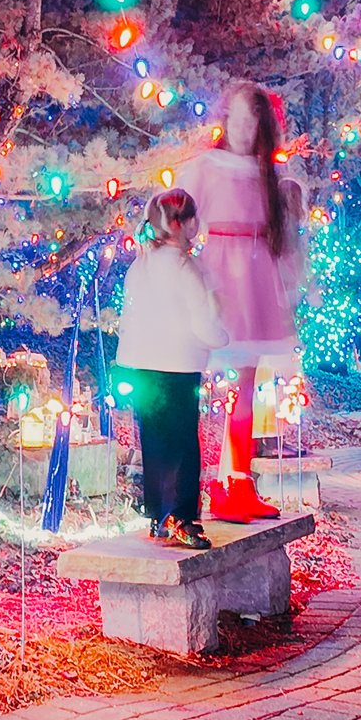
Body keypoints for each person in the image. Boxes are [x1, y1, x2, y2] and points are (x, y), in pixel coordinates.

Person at [181, 81, 305, 523]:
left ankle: (239, 480)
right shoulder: (206, 166)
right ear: (224, 120)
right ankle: (210, 481)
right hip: (221, 273)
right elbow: (178, 214)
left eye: (251, 119)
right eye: (235, 117)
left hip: (255, 273)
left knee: (248, 388)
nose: (242, 127)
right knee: (217, 384)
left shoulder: (266, 173)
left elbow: (285, 239)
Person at [115, 188, 229, 549]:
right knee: (181, 441)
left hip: (140, 366)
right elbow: (204, 322)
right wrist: (221, 337)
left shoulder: (140, 265)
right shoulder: (186, 267)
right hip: (177, 367)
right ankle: (182, 516)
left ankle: (158, 515)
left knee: (154, 439)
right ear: (183, 224)